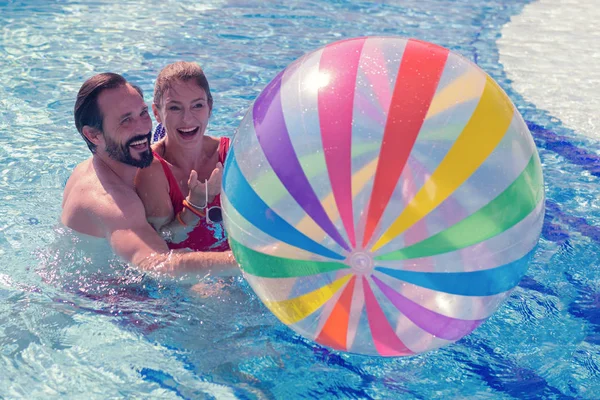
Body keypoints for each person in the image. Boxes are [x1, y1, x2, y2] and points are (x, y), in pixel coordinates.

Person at [61, 72, 237, 276]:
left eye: (143, 113)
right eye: (126, 120)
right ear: (93, 135)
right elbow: (158, 265)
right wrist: (249, 261)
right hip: (105, 300)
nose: (143, 128)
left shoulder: (112, 161)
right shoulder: (112, 204)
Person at [134, 61, 230, 252]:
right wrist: (194, 205)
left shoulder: (230, 155)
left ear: (209, 107)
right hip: (188, 273)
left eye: (197, 105)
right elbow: (164, 240)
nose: (187, 119)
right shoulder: (152, 169)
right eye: (174, 108)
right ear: (157, 113)